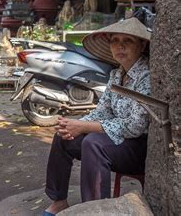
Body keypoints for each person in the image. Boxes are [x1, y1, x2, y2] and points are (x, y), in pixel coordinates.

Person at [43, 17, 151, 215]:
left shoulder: (147, 75)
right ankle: (58, 201)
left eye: (127, 41)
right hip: (117, 141)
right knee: (63, 137)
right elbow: (103, 111)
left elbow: (135, 126)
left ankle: (95, 210)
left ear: (142, 44)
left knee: (93, 143)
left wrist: (85, 127)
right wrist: (73, 124)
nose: (120, 46)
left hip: (139, 147)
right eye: (115, 41)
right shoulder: (117, 75)